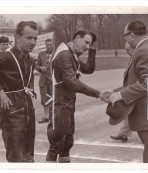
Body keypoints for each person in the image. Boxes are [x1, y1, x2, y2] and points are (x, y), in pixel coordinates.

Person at [109, 21, 148, 163]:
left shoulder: (144, 50)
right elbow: (141, 80)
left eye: (125, 37)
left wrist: (121, 95)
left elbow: (147, 83)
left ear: (132, 35)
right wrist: (116, 91)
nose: (125, 41)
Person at [46, 30, 109, 163]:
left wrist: (92, 50)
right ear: (76, 38)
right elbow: (72, 83)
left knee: (67, 141)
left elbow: (89, 68)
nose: (86, 46)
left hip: (67, 102)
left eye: (89, 44)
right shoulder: (64, 54)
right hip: (59, 102)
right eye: (86, 42)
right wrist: (98, 94)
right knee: (57, 142)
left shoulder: (72, 53)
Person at [0, 21, 38, 162]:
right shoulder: (6, 56)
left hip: (28, 109)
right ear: (18, 37)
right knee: (16, 158)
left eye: (35, 38)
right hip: (12, 112)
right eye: (29, 38)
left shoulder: (30, 59)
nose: (33, 42)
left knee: (29, 156)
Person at [110, 42, 134, 143]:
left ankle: (147, 136)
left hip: (137, 92)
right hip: (130, 90)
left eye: (128, 49)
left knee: (136, 113)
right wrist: (114, 91)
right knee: (128, 113)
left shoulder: (137, 60)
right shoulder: (131, 59)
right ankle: (123, 134)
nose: (126, 51)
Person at [35, 38, 54, 124]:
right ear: (45, 45)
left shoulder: (57, 54)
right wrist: (40, 68)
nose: (49, 46)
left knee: (53, 98)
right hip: (43, 80)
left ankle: (53, 116)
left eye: (50, 45)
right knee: (44, 98)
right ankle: (46, 116)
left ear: (53, 45)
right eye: (47, 45)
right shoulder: (41, 54)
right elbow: (36, 65)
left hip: (53, 80)